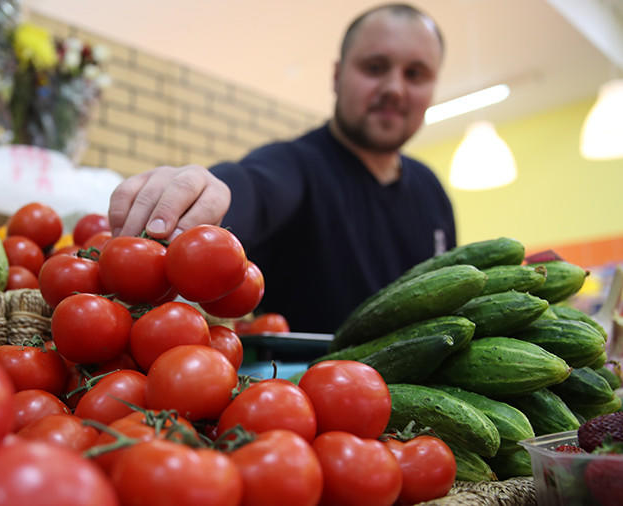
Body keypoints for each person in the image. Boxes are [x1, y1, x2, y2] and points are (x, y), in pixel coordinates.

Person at [107, 3, 456, 334]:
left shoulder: (432, 191)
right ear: (337, 76)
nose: (395, 88)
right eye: (375, 67)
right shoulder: (295, 163)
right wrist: (205, 189)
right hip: (303, 390)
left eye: (415, 74)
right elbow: (254, 188)